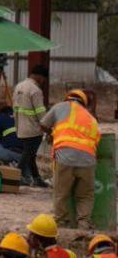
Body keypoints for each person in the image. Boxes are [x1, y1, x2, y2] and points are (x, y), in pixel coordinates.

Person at [40, 88, 100, 229]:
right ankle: (84, 223)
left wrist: (52, 134)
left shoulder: (60, 106)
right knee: (85, 195)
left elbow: (43, 124)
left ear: (68, 98)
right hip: (88, 160)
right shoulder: (91, 118)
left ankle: (61, 222)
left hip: (65, 157)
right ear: (84, 103)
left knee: (61, 192)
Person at [15, 64, 50, 188]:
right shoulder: (35, 90)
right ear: (40, 77)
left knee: (30, 155)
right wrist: (48, 128)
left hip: (21, 128)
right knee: (28, 154)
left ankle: (36, 179)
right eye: (43, 80)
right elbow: (41, 112)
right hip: (33, 129)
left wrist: (17, 126)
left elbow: (15, 109)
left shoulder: (19, 87)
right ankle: (15, 176)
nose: (43, 82)